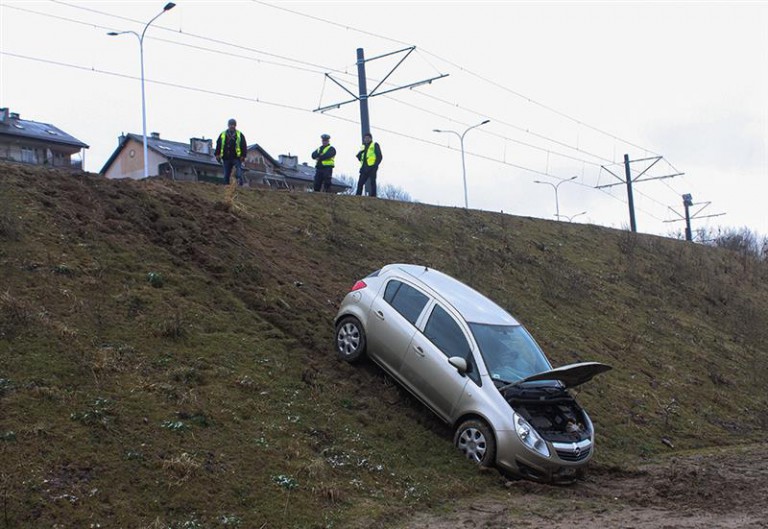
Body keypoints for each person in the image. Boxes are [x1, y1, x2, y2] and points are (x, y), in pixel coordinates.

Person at [215, 118, 247, 186]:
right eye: (231, 125)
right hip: (226, 157)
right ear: (228, 125)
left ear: (235, 125)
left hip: (236, 157)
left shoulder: (240, 135)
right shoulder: (223, 134)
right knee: (226, 174)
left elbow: (244, 145)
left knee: (238, 172)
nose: (232, 126)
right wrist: (217, 154)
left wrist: (243, 155)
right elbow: (219, 144)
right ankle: (226, 186)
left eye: (233, 125)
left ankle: (240, 185)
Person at [356, 132, 382, 197]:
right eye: (365, 138)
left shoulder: (374, 145)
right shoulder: (363, 147)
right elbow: (360, 157)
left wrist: (376, 164)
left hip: (372, 166)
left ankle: (373, 195)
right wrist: (359, 156)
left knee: (372, 181)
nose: (366, 139)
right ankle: (358, 195)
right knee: (360, 182)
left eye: (368, 138)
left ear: (371, 138)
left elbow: (379, 156)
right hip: (364, 167)